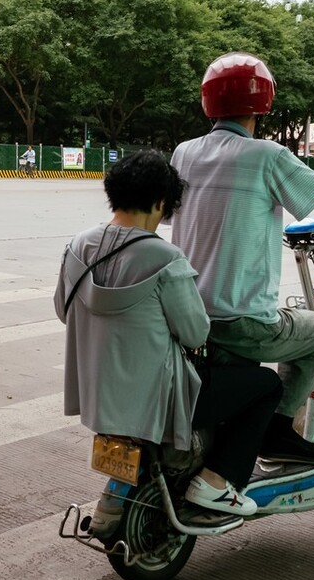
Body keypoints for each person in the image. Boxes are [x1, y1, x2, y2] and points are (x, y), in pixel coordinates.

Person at [171, 52, 314, 463]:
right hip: (240, 319)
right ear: (264, 103)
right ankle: (277, 430)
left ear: (208, 100)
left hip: (190, 317)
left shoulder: (184, 153)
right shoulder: (267, 156)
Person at [58, 150, 283, 515]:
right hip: (160, 402)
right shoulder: (165, 259)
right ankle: (219, 482)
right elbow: (195, 333)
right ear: (162, 202)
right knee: (265, 385)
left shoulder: (77, 246)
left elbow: (62, 310)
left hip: (98, 393)